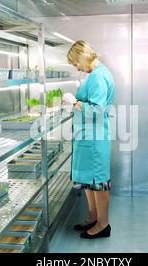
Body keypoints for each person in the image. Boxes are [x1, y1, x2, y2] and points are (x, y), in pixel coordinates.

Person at [63, 41, 115, 239]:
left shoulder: (99, 76)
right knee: (89, 181)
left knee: (99, 182)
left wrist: (75, 102)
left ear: (82, 57)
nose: (76, 67)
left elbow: (97, 110)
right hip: (87, 136)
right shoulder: (94, 75)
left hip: (94, 138)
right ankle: (93, 216)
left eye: (75, 63)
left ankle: (103, 225)